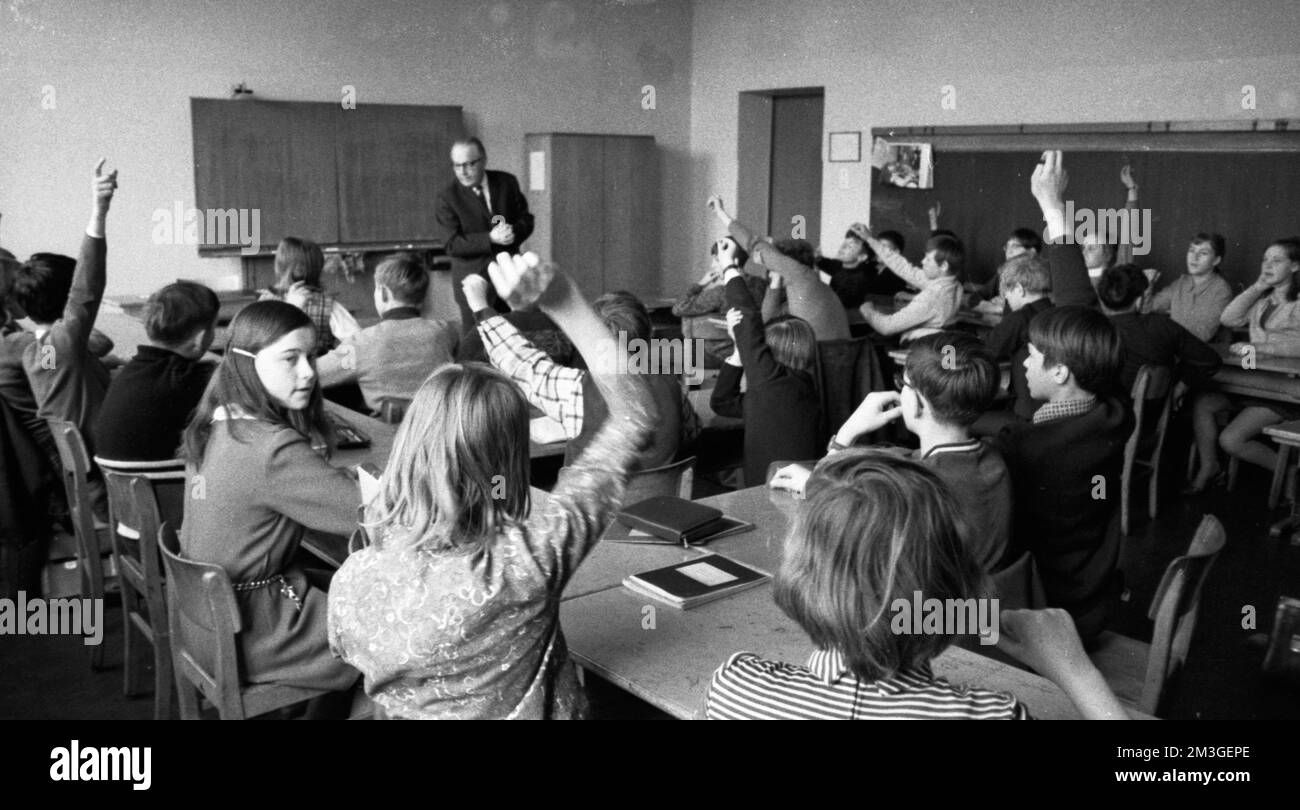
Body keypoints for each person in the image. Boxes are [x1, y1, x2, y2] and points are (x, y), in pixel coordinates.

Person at [327, 251, 654, 719]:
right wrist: (566, 302)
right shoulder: (528, 560)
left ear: (410, 448)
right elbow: (635, 416)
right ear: (510, 462)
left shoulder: (352, 580)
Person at [706, 449, 1129, 720]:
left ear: (799, 579)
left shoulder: (736, 687)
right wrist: (1078, 675)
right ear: (960, 586)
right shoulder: (996, 717)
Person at [180, 300, 360, 694]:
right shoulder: (272, 449)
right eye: (290, 359)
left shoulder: (217, 424)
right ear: (248, 363)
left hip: (205, 625)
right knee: (410, 633)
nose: (310, 373)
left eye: (312, 357)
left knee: (349, 586)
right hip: (260, 632)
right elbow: (370, 515)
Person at [772, 332, 1011, 571]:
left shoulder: (908, 486)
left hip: (917, 606)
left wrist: (847, 432)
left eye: (903, 384)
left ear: (918, 402)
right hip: (977, 605)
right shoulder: (995, 458)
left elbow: (827, 515)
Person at [993, 305, 1131, 643]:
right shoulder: (1116, 414)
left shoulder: (1023, 449)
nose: (1024, 362)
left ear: (1060, 373)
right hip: (1090, 599)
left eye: (1033, 355)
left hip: (1048, 622)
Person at [466, 275, 691, 468]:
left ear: (589, 338)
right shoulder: (674, 387)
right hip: (659, 515)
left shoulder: (577, 391)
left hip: (592, 517)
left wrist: (479, 305)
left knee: (504, 491)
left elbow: (523, 363)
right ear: (649, 335)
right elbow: (691, 431)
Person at [12, 160, 116, 460]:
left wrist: (106, 363)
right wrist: (99, 212)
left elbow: (65, 374)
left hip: (80, 472)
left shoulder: (37, 351)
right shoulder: (64, 342)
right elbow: (88, 286)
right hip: (104, 473)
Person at [1187, 237, 1300, 493]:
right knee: (1204, 402)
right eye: (1265, 259)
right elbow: (1229, 318)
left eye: (1277, 260)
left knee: (1230, 439)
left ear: (1294, 267)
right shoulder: (1264, 300)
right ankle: (1209, 467)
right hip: (1255, 382)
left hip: (1285, 389)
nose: (1268, 265)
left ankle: (1289, 472)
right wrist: (1258, 286)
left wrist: (1260, 348)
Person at [710, 257, 820, 487]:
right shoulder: (801, 386)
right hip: (794, 486)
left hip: (768, 490)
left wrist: (729, 266)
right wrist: (739, 353)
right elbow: (722, 402)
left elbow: (748, 321)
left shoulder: (774, 383)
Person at [315, 253, 458, 414]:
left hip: (386, 434)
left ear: (383, 292)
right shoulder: (446, 333)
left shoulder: (362, 343)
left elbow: (312, 375)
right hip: (441, 428)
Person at [94, 281, 219, 461]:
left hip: (119, 485)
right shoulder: (192, 380)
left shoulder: (131, 371)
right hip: (171, 486)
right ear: (200, 338)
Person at [706, 196, 850, 340]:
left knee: (694, 342)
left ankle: (693, 363)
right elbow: (768, 321)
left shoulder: (801, 278)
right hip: (836, 358)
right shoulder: (811, 289)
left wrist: (720, 213)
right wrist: (775, 283)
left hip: (819, 359)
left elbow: (754, 245)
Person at [435, 137, 535, 327]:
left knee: (515, 332)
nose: (463, 172)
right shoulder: (447, 197)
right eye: (457, 166)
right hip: (474, 280)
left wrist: (514, 232)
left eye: (470, 164)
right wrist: (490, 238)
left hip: (509, 275)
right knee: (477, 340)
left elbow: (527, 220)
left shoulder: (507, 182)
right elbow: (452, 244)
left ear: (483, 160)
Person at [1096, 263, 1221, 396]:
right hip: (1155, 413)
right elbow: (1211, 360)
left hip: (1109, 413)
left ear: (1103, 300)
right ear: (1139, 301)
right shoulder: (1162, 325)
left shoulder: (1094, 331)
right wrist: (1182, 386)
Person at [856, 227, 964, 343]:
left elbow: (886, 327)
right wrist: (870, 239)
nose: (922, 262)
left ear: (943, 266)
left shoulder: (931, 296)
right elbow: (904, 267)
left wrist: (867, 311)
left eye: (928, 259)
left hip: (919, 349)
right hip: (935, 344)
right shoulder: (953, 284)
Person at [980, 254, 1054, 424]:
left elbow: (985, 350)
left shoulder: (1020, 318)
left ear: (1019, 289)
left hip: (1026, 414)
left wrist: (949, 350)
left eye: (1006, 293)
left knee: (966, 420)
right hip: (1047, 411)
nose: (1006, 299)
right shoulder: (1055, 312)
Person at [672, 236, 767, 362]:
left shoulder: (721, 293)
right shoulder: (762, 285)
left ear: (735, 261)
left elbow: (679, 308)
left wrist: (701, 284)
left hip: (716, 354)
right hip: (754, 353)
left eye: (717, 260)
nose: (712, 265)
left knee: (652, 355)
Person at [259, 237, 347, 357]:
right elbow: (260, 343)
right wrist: (292, 307)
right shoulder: (265, 302)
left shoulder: (328, 305)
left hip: (318, 371)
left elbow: (358, 340)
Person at [1142, 233, 1234, 343]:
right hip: (1173, 350)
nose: (1194, 257)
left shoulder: (1221, 290)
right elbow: (1147, 308)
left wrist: (1163, 336)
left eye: (1203, 253)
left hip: (1201, 354)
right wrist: (1148, 284)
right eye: (1191, 251)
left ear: (1216, 260)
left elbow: (1203, 334)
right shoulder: (1180, 283)